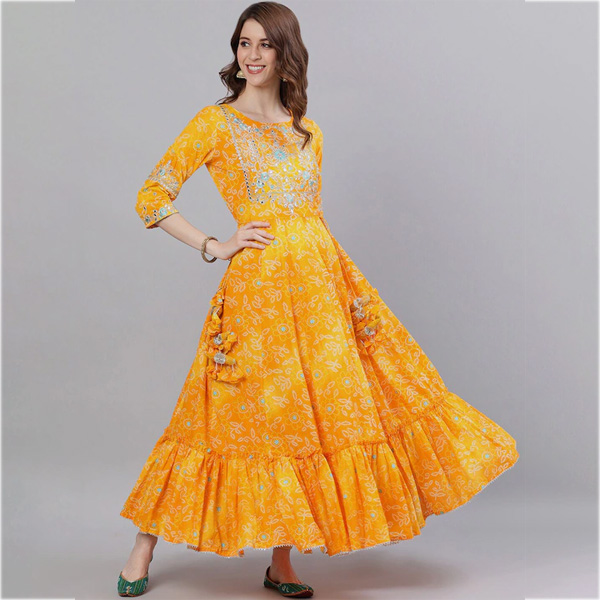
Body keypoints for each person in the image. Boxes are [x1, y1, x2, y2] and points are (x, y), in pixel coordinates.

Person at [117, 2, 519, 597]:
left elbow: (313, 220)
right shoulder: (215, 123)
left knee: (307, 423)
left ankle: (281, 563)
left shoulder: (309, 131)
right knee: (213, 417)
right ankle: (142, 547)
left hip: (320, 293)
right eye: (244, 43)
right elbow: (152, 196)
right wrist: (215, 245)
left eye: (265, 44)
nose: (252, 55)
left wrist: (342, 284)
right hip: (259, 297)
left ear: (286, 53)